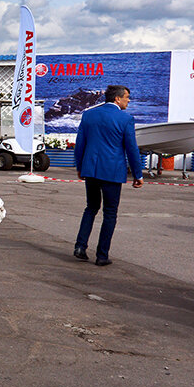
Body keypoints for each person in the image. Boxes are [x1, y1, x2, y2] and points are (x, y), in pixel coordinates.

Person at [72, 85, 144, 266]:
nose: (129, 100)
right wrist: (138, 174)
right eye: (127, 97)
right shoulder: (125, 118)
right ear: (117, 99)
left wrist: (80, 167)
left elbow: (80, 143)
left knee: (91, 208)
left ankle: (80, 246)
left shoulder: (88, 115)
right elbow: (132, 148)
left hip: (91, 170)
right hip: (112, 171)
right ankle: (102, 255)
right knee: (110, 213)